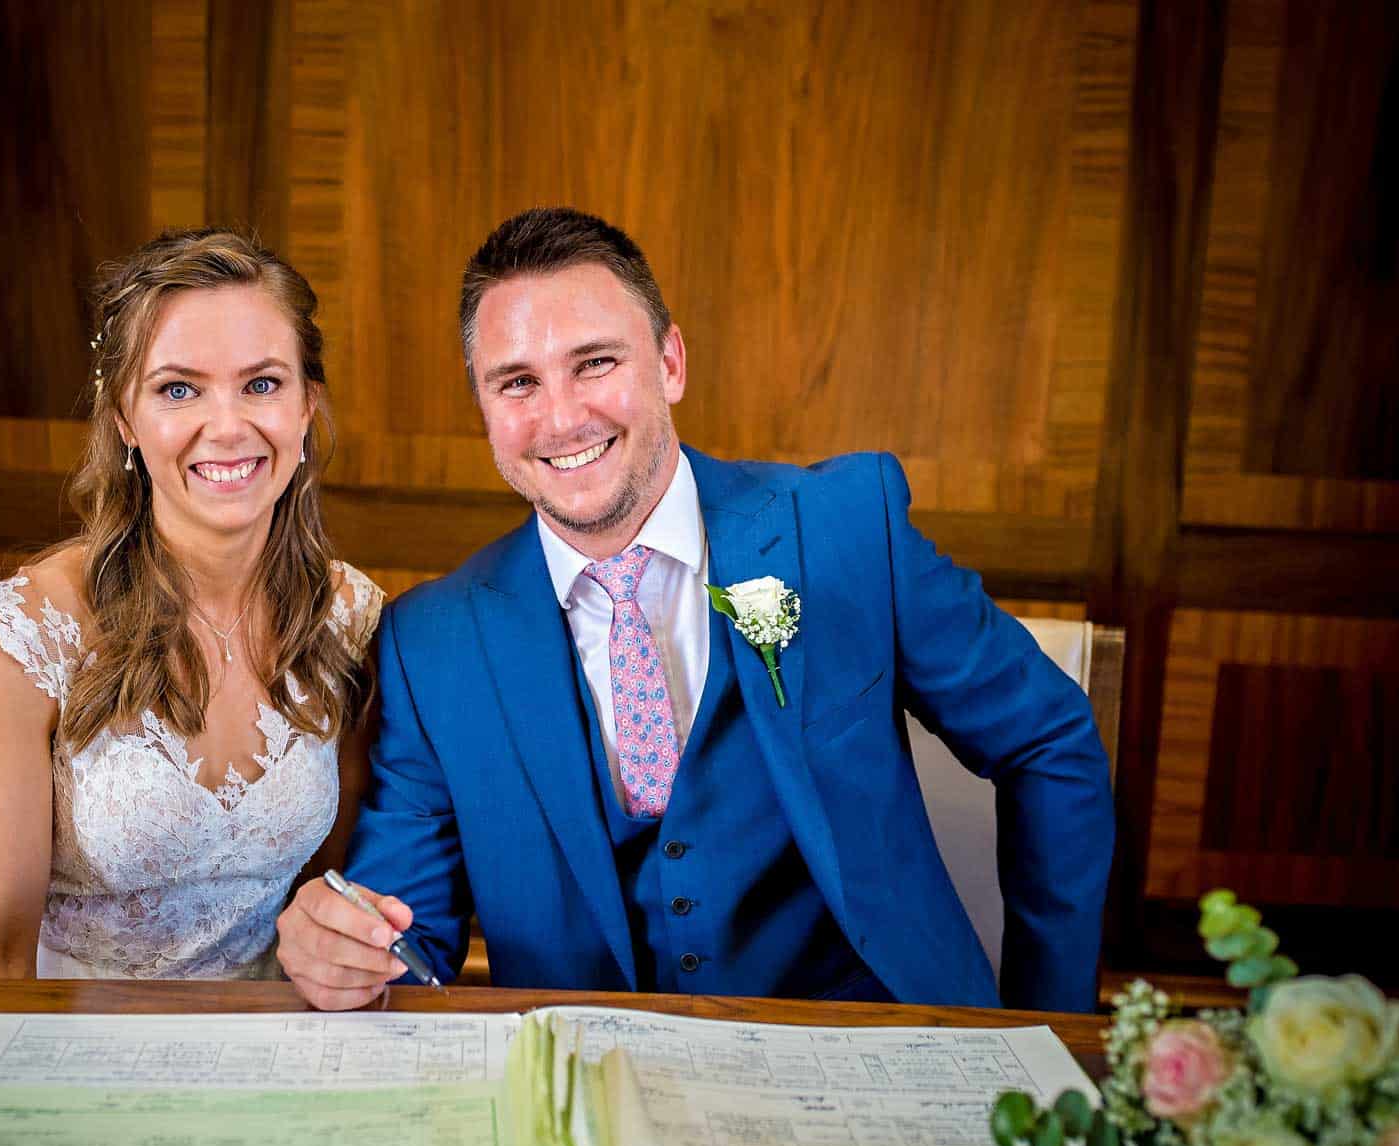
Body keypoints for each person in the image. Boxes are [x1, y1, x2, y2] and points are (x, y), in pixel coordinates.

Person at [277, 207, 1113, 1012]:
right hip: (590, 1094)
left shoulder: (843, 531)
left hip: (876, 1049)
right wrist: (350, 950)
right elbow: (406, 936)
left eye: (596, 363)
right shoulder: (432, 644)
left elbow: (1049, 740)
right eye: (518, 382)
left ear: (670, 363)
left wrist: (1051, 1028)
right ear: (485, 409)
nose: (563, 417)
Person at [0, 228, 382, 978]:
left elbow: (337, 895)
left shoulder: (349, 617)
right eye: (179, 389)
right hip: (72, 1058)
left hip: (277, 1048)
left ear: (307, 407)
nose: (228, 426)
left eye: (263, 384)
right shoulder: (24, 639)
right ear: (124, 418)